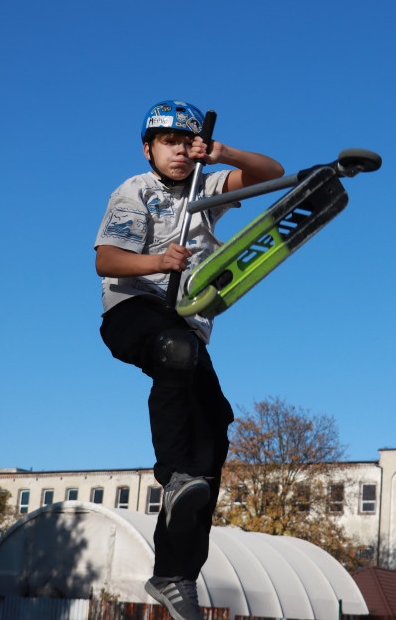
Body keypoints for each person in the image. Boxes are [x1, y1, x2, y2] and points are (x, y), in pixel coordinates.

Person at [94, 100, 283, 620]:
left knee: (213, 431)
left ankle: (175, 573)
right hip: (133, 312)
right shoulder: (135, 191)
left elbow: (272, 173)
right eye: (169, 142)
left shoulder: (205, 185)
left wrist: (222, 153)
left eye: (188, 142)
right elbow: (105, 260)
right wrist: (159, 260)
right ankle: (171, 472)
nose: (180, 151)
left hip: (186, 325)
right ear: (149, 148)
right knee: (175, 355)